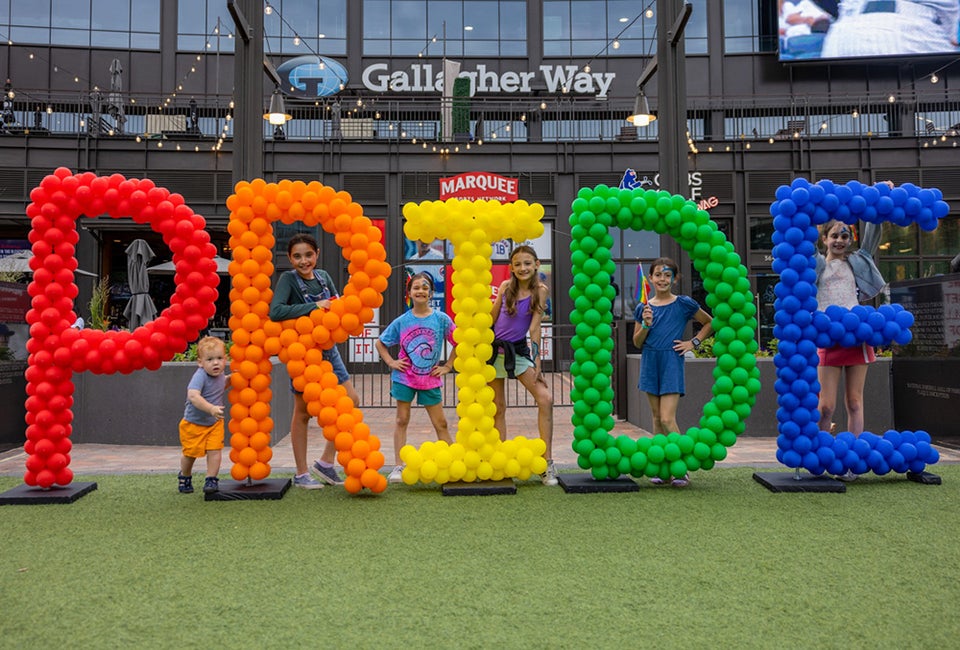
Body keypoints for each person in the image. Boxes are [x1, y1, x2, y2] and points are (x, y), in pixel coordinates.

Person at [269, 232, 358, 489]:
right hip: (303, 353)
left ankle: (326, 462)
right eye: (297, 256)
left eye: (308, 255)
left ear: (316, 254)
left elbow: (335, 304)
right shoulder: (288, 279)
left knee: (351, 400)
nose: (304, 261)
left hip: (329, 350)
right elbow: (276, 311)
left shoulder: (324, 277)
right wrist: (315, 306)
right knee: (303, 413)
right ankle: (301, 473)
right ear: (290, 258)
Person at [814, 209, 887, 481]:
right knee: (826, 407)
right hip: (828, 337)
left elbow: (873, 234)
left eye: (845, 236)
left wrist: (878, 201)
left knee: (855, 402)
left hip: (856, 336)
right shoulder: (816, 263)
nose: (840, 240)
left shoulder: (858, 261)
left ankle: (852, 462)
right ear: (824, 238)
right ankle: (821, 456)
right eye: (834, 235)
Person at [632, 257, 713, 487]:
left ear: (674, 279)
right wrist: (646, 324)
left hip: (671, 361)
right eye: (658, 274)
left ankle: (680, 468)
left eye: (667, 275)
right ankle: (663, 469)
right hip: (650, 361)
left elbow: (709, 323)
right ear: (650, 278)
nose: (662, 279)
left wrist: (693, 343)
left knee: (668, 418)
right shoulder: (643, 308)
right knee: (657, 419)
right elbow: (637, 342)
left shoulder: (683, 304)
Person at [375, 272, 456, 483]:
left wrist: (448, 366)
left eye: (425, 287)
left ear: (431, 293)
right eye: (416, 288)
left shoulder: (441, 319)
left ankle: (454, 463)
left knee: (441, 423)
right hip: (404, 378)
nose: (421, 291)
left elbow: (459, 342)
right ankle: (398, 466)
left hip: (430, 379)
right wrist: (391, 362)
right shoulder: (402, 321)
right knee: (402, 420)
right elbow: (380, 343)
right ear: (409, 293)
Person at [488, 245, 556, 486]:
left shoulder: (541, 290)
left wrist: (537, 362)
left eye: (527, 263)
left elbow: (534, 327)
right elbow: (492, 318)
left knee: (545, 399)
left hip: (517, 351)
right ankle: (500, 462)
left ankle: (547, 463)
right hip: (493, 351)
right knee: (498, 408)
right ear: (511, 267)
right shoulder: (506, 287)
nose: (522, 268)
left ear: (536, 265)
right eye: (517, 264)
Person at [178, 336, 228, 494]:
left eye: (219, 358)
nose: (215, 363)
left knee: (215, 450)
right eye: (210, 359)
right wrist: (211, 408)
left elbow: (221, 385)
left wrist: (234, 379)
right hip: (193, 424)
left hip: (214, 423)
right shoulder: (200, 376)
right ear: (200, 362)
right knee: (190, 454)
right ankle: (185, 475)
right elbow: (193, 396)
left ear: (225, 359)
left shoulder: (221, 375)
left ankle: (211, 479)